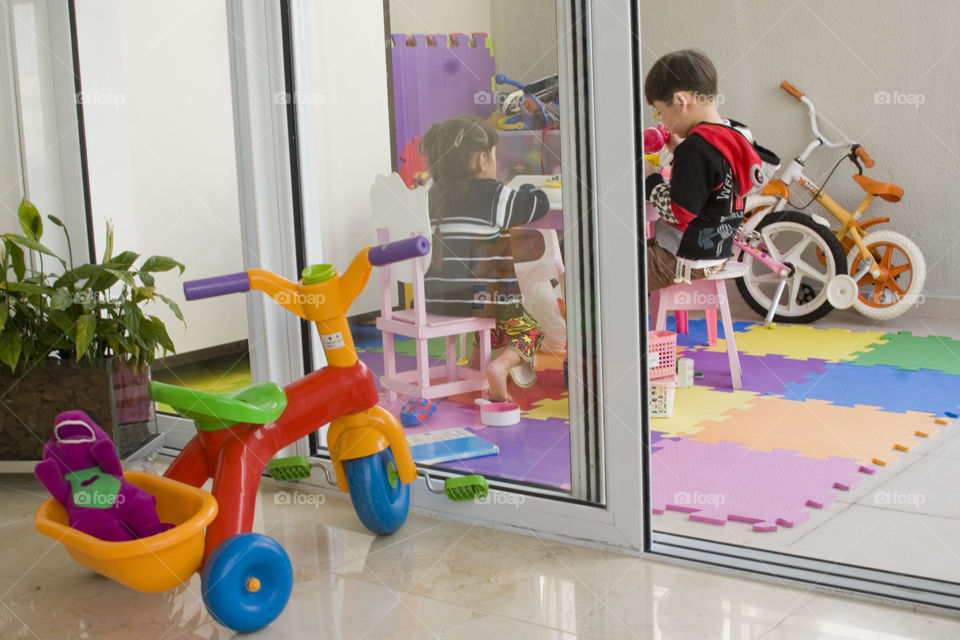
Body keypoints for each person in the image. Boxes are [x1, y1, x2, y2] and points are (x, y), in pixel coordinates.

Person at [420, 115, 551, 402]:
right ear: (482, 160)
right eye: (495, 156)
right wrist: (530, 189)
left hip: (434, 299)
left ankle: (475, 364)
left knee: (486, 311)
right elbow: (537, 207)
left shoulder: (429, 196)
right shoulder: (495, 196)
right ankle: (500, 365)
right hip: (482, 301)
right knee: (530, 331)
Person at [642, 49, 763, 291]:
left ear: (680, 101)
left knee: (595, 270)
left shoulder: (695, 149)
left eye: (659, 111)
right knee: (613, 255)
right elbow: (712, 180)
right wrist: (679, 151)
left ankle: (568, 327)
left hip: (683, 257)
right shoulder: (733, 135)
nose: (662, 120)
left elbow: (679, 213)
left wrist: (651, 179)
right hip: (715, 255)